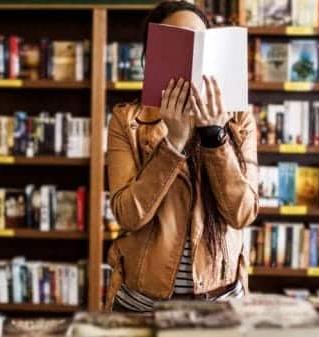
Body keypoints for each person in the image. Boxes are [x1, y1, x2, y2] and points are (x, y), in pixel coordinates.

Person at [105, 0, 259, 312]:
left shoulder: (238, 120)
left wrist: (215, 136)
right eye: (178, 43)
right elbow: (127, 215)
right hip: (142, 306)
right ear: (153, 59)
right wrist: (172, 143)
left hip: (220, 304)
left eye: (200, 44)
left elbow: (242, 213)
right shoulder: (128, 120)